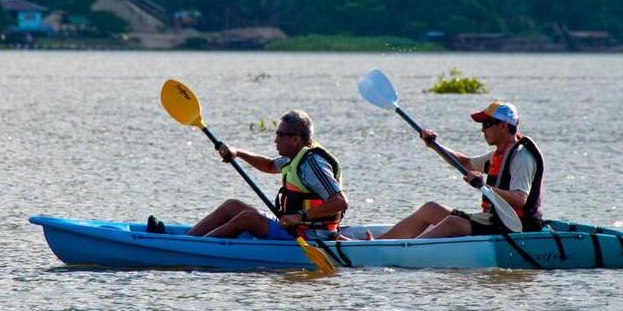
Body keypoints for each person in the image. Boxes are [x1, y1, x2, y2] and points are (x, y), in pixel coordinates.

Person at [370, 101, 544, 239]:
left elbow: (520, 199)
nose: (483, 130)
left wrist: (485, 186)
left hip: (514, 227)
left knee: (452, 223)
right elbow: (465, 163)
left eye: (487, 124)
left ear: (504, 126)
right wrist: (433, 145)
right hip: (492, 221)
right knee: (431, 208)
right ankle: (376, 245)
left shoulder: (521, 157)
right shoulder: (499, 155)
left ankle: (402, 251)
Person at [178, 110, 348, 240]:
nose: (275, 140)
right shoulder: (295, 157)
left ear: (296, 139)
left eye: (280, 135)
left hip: (311, 235)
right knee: (232, 205)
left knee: (247, 218)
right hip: (293, 228)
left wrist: (299, 217)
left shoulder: (312, 164)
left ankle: (193, 250)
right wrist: (237, 152)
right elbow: (268, 165)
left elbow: (340, 202)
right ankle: (186, 241)